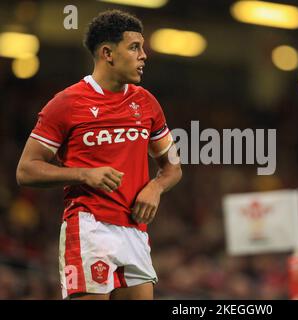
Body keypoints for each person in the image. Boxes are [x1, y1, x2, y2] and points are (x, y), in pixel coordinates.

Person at [16, 9, 182, 300]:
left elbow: (173, 168)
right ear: (107, 53)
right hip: (89, 229)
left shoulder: (147, 103)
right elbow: (26, 170)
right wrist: (83, 173)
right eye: (134, 47)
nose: (144, 55)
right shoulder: (66, 103)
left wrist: (155, 187)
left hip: (135, 231)